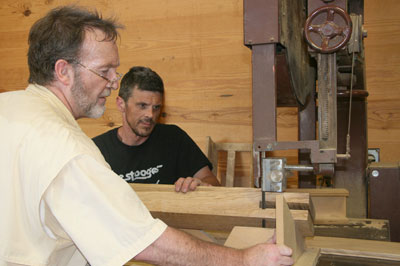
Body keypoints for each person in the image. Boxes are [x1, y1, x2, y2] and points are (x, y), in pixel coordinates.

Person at [0, 5, 294, 266]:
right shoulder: (68, 148)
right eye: (105, 71)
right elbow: (145, 243)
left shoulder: (7, 108)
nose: (114, 83)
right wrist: (243, 259)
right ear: (63, 71)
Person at [93, 66, 220, 193]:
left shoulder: (174, 138)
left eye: (156, 107)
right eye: (142, 106)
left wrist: (200, 184)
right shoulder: (97, 150)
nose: (150, 114)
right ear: (121, 104)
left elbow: (212, 182)